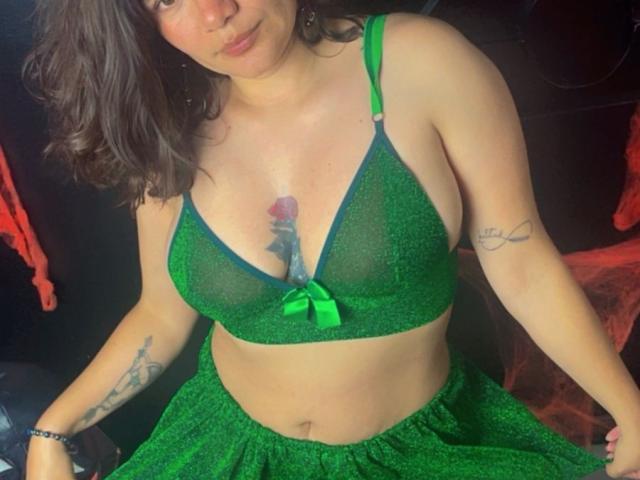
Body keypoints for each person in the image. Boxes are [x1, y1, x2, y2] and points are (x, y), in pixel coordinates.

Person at [21, 1, 640, 479]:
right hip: (228, 451)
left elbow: (521, 260)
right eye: (166, 0)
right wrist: (53, 429)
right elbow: (161, 312)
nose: (216, 14)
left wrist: (630, 407)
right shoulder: (165, 125)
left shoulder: (418, 65)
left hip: (424, 451)